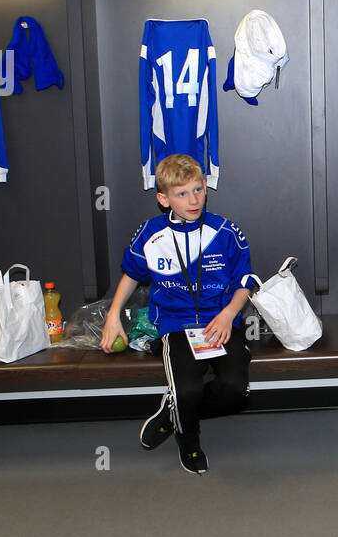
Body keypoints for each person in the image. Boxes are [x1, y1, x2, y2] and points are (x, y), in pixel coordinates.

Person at [101, 155, 253, 474]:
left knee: (236, 390)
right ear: (163, 198)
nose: (193, 199)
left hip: (221, 321)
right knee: (187, 390)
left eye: (198, 189)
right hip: (176, 324)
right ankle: (189, 440)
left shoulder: (225, 231)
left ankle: (172, 413)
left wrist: (228, 314)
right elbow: (131, 274)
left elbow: (245, 283)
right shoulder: (151, 233)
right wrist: (113, 314)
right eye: (182, 193)